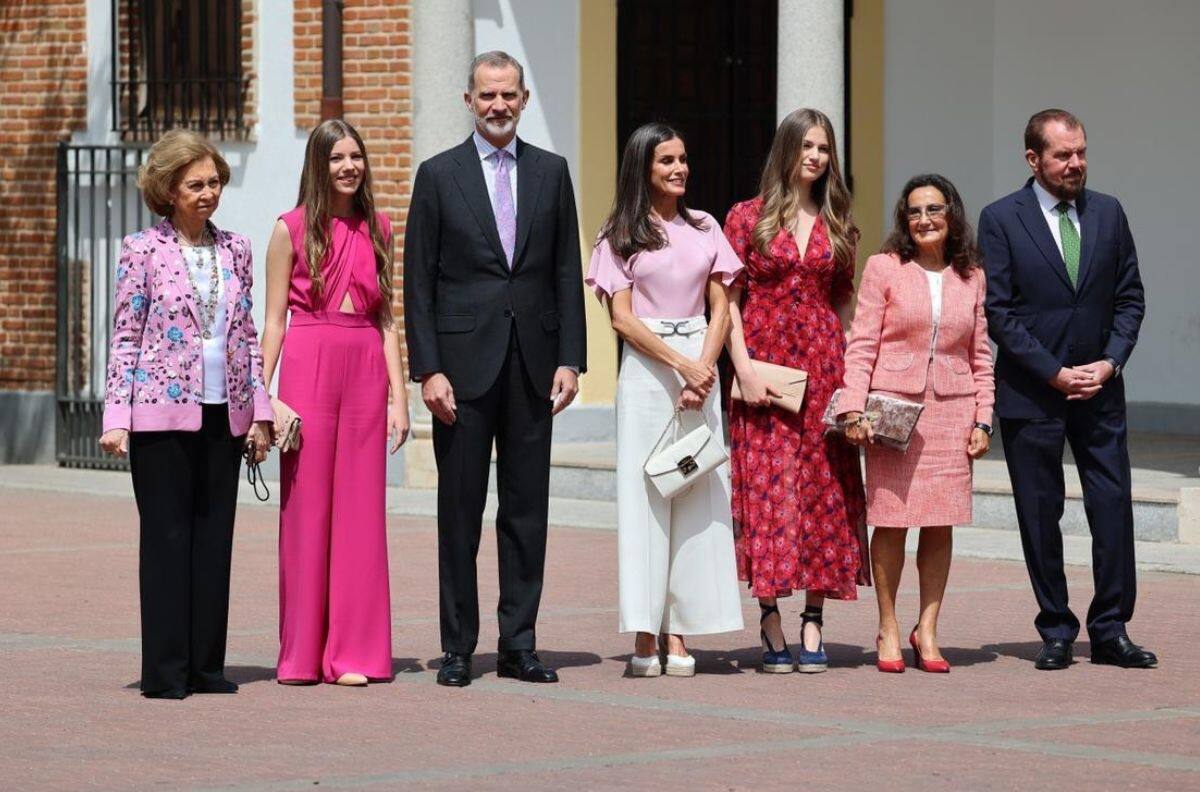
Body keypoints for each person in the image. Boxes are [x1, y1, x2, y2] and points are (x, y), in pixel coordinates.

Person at [403, 51, 587, 687]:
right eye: (487, 96)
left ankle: (519, 643)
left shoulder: (552, 172)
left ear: (525, 98)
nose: (498, 105)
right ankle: (458, 647)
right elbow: (417, 281)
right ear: (469, 100)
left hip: (533, 367)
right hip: (460, 370)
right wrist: (426, 369)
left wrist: (571, 359)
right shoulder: (437, 175)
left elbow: (566, 270)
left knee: (525, 511)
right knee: (459, 512)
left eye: (508, 95)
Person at [98, 130, 273, 699]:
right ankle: (167, 671)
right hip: (158, 415)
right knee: (167, 538)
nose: (208, 193)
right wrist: (115, 417)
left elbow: (246, 335)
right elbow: (125, 337)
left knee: (213, 538)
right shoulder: (141, 250)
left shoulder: (237, 249)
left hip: (226, 413)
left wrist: (261, 415)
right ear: (168, 190)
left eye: (215, 182)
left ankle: (206, 667)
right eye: (195, 184)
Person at [979, 109, 1153, 671]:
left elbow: (1130, 297)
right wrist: (1053, 371)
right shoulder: (1001, 219)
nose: (1075, 163)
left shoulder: (1108, 212)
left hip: (1100, 391)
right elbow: (999, 312)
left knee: (1112, 508)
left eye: (1080, 152)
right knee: (1039, 512)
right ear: (1034, 159)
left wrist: (1110, 362)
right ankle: (1055, 628)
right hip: (1033, 393)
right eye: (1062, 155)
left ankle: (1111, 629)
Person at [586, 123, 745, 678]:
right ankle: (645, 631)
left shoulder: (706, 228)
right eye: (666, 161)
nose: (679, 169)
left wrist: (704, 367)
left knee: (696, 494)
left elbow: (723, 305)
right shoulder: (619, 233)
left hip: (700, 364)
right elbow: (622, 318)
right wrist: (682, 365)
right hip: (649, 377)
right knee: (647, 497)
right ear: (643, 169)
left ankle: (682, 629)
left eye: (683, 159)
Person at [258, 119, 410, 687]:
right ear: (318, 166)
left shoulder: (382, 228)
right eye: (337, 158)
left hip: (367, 368)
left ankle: (355, 655)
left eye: (356, 157)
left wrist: (401, 399)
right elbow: (273, 321)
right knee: (306, 511)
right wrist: (260, 399)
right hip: (308, 365)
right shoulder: (288, 229)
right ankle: (301, 656)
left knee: (362, 515)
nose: (349, 167)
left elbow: (388, 318)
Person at [724, 108, 868, 674]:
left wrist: (858, 376)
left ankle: (813, 616)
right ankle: (769, 613)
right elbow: (727, 303)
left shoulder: (839, 225)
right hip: (764, 369)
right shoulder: (747, 217)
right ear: (786, 150)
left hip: (825, 371)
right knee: (769, 489)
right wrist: (744, 369)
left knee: (822, 493)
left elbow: (845, 301)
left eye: (824, 148)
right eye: (806, 146)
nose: (815, 156)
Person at [839, 175, 994, 673]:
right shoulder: (885, 268)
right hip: (892, 411)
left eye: (934, 209)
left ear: (952, 214)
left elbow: (981, 355)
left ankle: (927, 628)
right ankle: (887, 625)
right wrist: (852, 408)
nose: (924, 219)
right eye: (914, 212)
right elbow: (861, 343)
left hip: (953, 410)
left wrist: (984, 420)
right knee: (890, 521)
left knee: (939, 521)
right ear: (904, 220)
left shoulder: (972, 276)